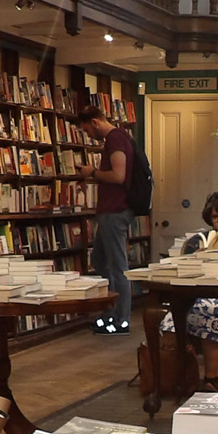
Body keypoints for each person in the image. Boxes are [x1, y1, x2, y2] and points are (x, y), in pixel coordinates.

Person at [161, 191, 218, 390]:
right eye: (215, 217)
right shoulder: (198, 241)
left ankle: (211, 379)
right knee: (170, 321)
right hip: (197, 295)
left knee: (213, 316)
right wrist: (196, 259)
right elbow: (183, 271)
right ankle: (179, 376)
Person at [73, 105, 135, 333]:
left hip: (115, 211)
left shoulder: (116, 139)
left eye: (88, 130)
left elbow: (118, 176)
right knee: (100, 260)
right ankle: (110, 312)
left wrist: (92, 173)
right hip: (110, 211)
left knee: (117, 266)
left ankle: (121, 319)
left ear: (95, 122)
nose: (89, 135)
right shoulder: (116, 139)